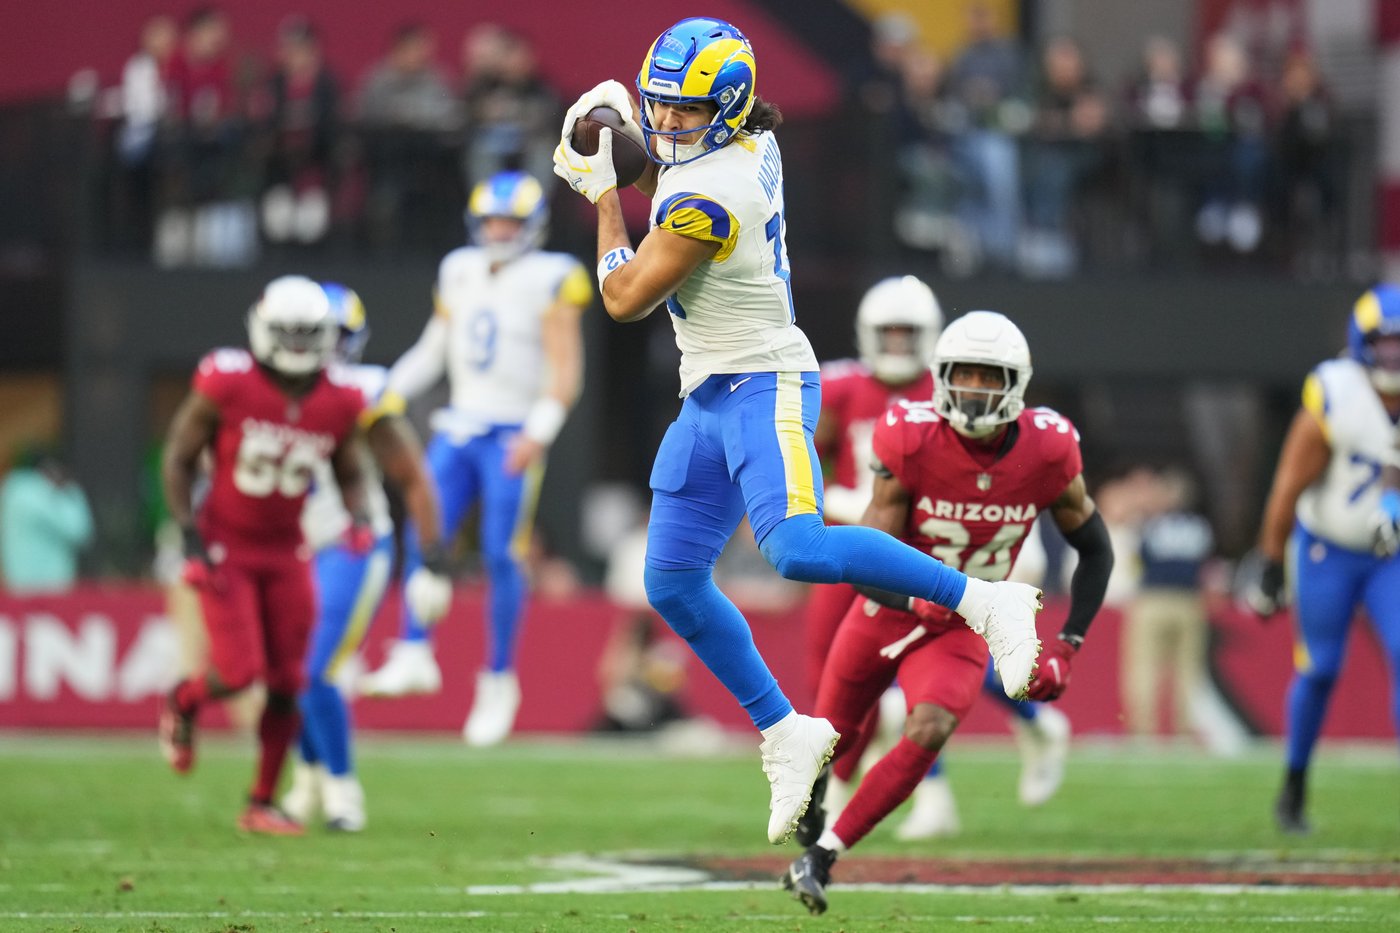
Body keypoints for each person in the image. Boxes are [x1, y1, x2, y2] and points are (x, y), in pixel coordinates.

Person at [552, 16, 1044, 845]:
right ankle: (787, 730)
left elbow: (624, 293)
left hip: (764, 382)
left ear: (727, 106)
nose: (665, 124)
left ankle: (985, 602)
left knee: (795, 545)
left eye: (681, 110)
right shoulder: (737, 146)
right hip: (709, 388)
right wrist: (617, 148)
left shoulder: (717, 194)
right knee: (671, 580)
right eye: (659, 107)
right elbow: (665, 167)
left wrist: (599, 189)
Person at [782, 312, 1114, 914]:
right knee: (827, 743)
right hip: (888, 611)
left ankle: (825, 855)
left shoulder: (1049, 449)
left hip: (963, 627)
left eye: (991, 378)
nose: (976, 390)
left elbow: (1096, 549)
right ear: (941, 377)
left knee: (930, 728)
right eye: (965, 375)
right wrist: (916, 600)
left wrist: (1068, 644)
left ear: (1016, 384)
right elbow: (869, 558)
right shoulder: (910, 436)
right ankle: (814, 808)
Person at [158, 275, 452, 834]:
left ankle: (311, 794)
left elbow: (388, 474)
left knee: (301, 676)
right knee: (260, 673)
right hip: (253, 544)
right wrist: (189, 533)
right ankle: (314, 781)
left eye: (322, 334)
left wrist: (404, 543)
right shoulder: (233, 381)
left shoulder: (354, 392)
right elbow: (182, 454)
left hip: (326, 546)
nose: (307, 348)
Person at [359, 170, 588, 747]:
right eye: (492, 220)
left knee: (500, 554)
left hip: (512, 429)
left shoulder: (552, 277)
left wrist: (541, 429)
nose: (500, 230)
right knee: (423, 529)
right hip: (460, 424)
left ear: (533, 226)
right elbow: (435, 349)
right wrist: (387, 392)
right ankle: (414, 648)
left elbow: (565, 370)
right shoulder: (458, 268)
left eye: (510, 221)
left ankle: (498, 680)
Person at [1240, 284, 1400, 834]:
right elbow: (1288, 485)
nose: (1396, 356)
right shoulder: (1337, 391)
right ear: (1363, 345)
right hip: (1327, 547)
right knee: (1321, 666)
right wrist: (1269, 560)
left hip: (1391, 559)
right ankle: (1294, 786)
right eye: (1387, 344)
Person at [278, 284, 398, 832]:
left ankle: (344, 792)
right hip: (294, 547)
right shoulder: (267, 389)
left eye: (335, 335)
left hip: (353, 543)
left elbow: (410, 475)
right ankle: (306, 782)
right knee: (292, 673)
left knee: (313, 670)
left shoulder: (363, 388)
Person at [1122, 466, 1217, 741]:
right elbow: (1205, 565)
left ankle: (1143, 731)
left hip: (1153, 600)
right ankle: (1184, 730)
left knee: (1144, 666)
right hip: (1189, 602)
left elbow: (1137, 561)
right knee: (1188, 670)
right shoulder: (1200, 527)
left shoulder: (1151, 525)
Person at [0, 446, 94, 593]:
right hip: (48, 586)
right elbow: (79, 530)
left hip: (18, 581)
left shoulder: (11, 490)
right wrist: (72, 492)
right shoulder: (38, 494)